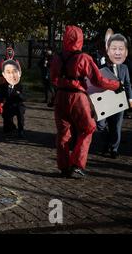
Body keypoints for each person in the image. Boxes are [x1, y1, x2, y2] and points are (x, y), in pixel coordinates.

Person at [50, 25, 122, 178]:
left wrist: (64, 84)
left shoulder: (57, 57)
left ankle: (63, 166)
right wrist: (116, 84)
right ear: (80, 39)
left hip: (61, 97)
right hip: (77, 97)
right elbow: (98, 81)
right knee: (88, 128)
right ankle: (77, 165)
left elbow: (53, 79)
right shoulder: (84, 58)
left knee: (63, 134)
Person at [96, 33, 132, 159]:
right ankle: (106, 143)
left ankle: (114, 149)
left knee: (116, 126)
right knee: (100, 125)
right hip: (105, 101)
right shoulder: (102, 67)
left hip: (119, 100)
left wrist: (130, 99)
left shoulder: (124, 68)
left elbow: (128, 84)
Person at [0, 60, 26, 138]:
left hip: (18, 105)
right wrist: (1, 98)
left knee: (19, 112)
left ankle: (21, 130)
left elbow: (24, 98)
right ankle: (10, 126)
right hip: (8, 105)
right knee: (6, 129)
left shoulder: (19, 86)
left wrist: (19, 95)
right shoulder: (2, 86)